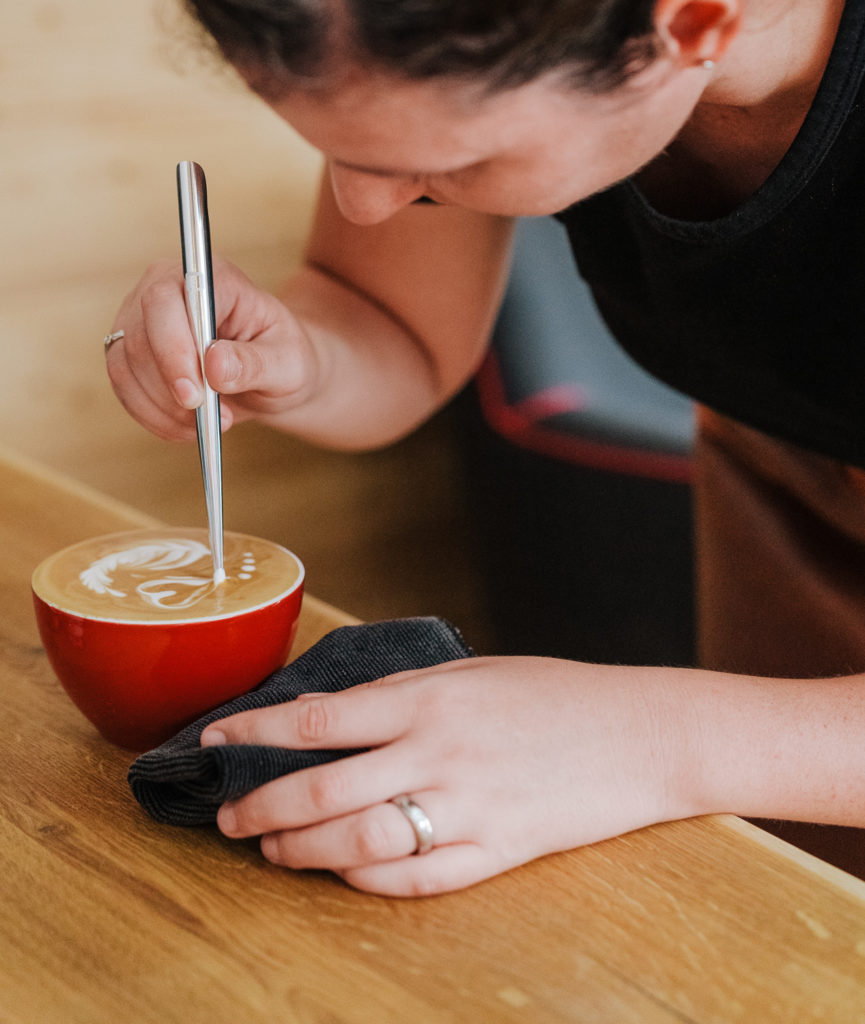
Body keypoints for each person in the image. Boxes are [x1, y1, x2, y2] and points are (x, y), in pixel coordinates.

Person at [106, 0, 865, 896]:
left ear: (698, 19)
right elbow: (389, 320)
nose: (365, 201)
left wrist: (657, 740)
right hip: (788, 495)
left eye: (446, 163)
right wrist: (295, 358)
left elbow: (680, 747)